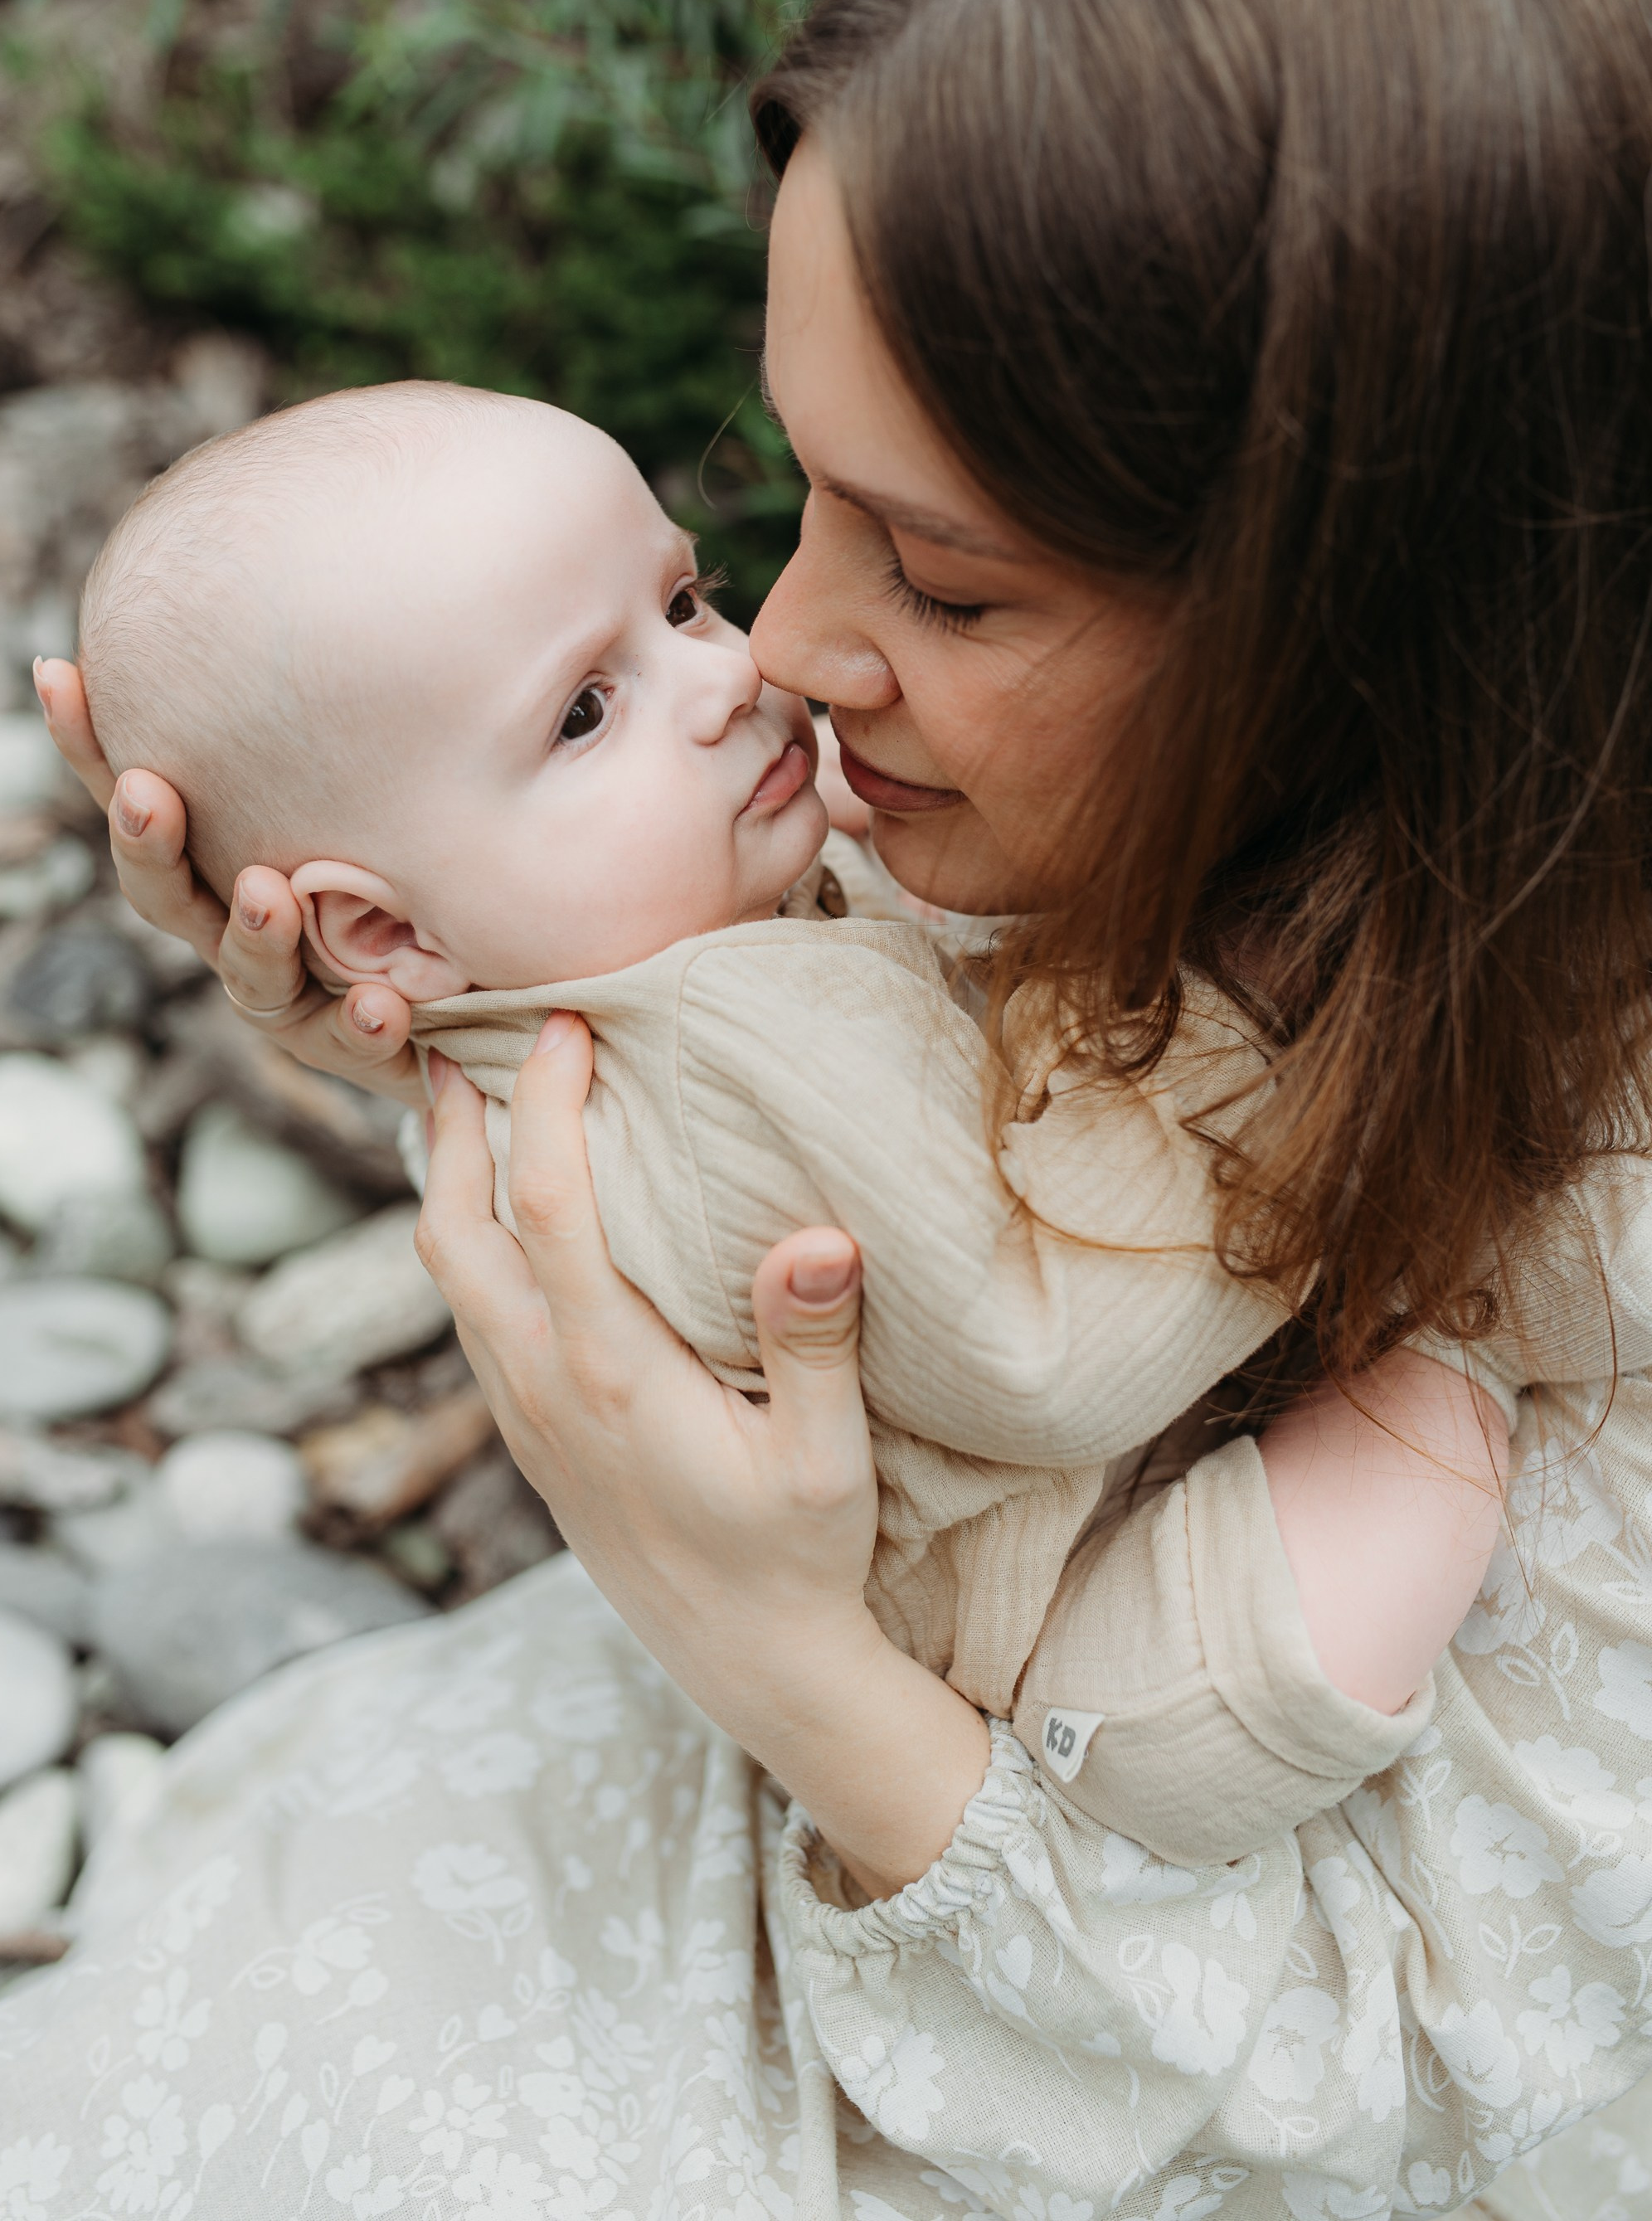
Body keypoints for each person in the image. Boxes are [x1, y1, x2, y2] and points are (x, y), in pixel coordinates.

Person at [2, 0, 1652, 2219]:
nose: (781, 646)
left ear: (1386, 633)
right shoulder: (1125, 806)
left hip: (1078, 2015)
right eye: (783, 505)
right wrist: (472, 992)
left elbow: (1424, 2114)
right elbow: (789, 1132)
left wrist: (765, 1637)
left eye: (944, 581)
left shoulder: (1595, 1273)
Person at [75, 376, 1539, 1869]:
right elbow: (1038, 1356)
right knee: (1460, 1377)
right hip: (1132, 1664)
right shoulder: (722, 1040)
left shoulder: (571, 1015)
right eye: (587, 711)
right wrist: (1261, 1074)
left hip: (967, 1618)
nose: (731, 675)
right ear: (383, 938)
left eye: (683, 601)